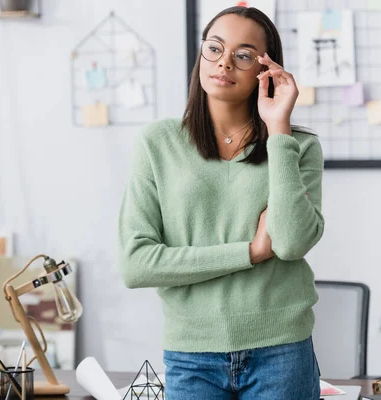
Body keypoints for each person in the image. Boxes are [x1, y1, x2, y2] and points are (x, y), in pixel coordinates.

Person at [117, 6, 324, 400]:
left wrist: (278, 129)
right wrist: (250, 251)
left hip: (282, 350)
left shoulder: (300, 146)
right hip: (192, 356)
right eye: (214, 48)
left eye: (244, 55)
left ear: (267, 71)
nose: (224, 62)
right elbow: (135, 264)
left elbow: (293, 243)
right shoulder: (157, 143)